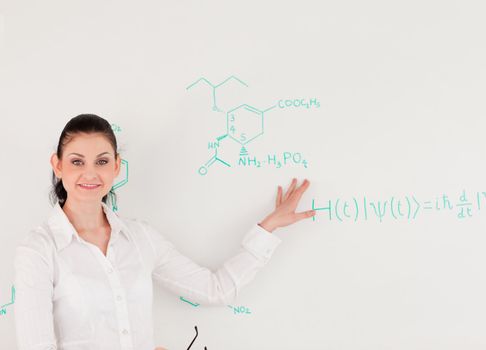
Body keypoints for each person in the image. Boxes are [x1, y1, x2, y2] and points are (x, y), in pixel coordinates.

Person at [13, 114, 316, 350]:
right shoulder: (39, 250)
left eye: (102, 161)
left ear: (117, 167)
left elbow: (216, 289)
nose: (90, 173)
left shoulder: (140, 238)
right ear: (57, 165)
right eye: (77, 161)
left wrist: (269, 227)